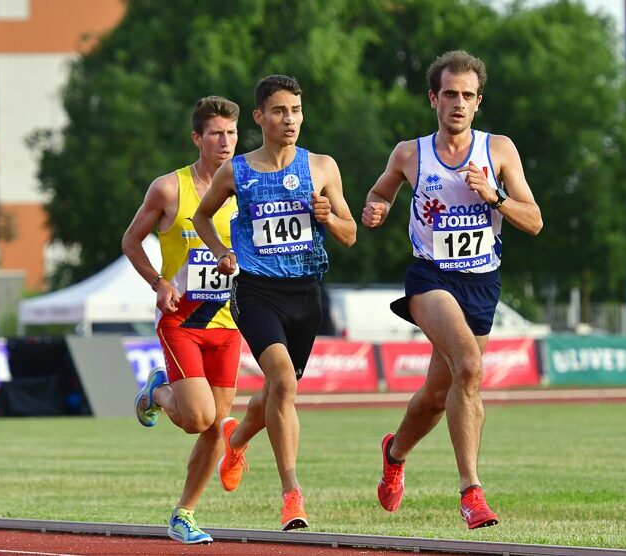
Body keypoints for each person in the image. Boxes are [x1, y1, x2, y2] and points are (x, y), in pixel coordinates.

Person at [362, 50, 543, 529]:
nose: (457, 103)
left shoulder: (499, 150)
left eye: (467, 95)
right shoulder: (409, 153)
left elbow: (534, 220)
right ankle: (471, 491)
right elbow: (380, 192)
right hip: (431, 278)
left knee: (438, 392)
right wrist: (375, 208)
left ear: (478, 102)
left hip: (482, 281)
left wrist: (495, 195)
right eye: (449, 94)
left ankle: (395, 453)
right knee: (469, 365)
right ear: (433, 100)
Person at [193, 74, 356, 531]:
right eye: (281, 111)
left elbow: (350, 235)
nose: (290, 120)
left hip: (306, 293)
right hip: (256, 291)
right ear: (260, 116)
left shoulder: (322, 167)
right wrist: (223, 253)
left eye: (297, 111)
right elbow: (202, 216)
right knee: (282, 381)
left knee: (278, 391)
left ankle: (237, 438)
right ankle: (292, 495)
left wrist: (329, 216)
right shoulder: (236, 171)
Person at [122, 96, 242, 544]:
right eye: (215, 133)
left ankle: (183, 514)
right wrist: (158, 282)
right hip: (183, 321)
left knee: (216, 428)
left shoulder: (244, 187)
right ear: (197, 138)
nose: (225, 142)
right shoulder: (169, 189)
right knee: (197, 419)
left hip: (228, 324)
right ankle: (159, 390)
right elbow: (131, 241)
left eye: (231, 133)